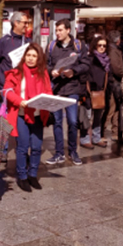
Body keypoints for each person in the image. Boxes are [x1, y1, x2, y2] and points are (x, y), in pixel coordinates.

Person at [3, 43, 52, 192]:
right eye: (28, 55)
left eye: (34, 56)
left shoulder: (43, 73)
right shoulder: (16, 72)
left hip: (37, 115)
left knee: (36, 147)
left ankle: (32, 175)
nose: (30, 58)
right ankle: (22, 176)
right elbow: (7, 91)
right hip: (21, 115)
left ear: (39, 58)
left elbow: (48, 91)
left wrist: (48, 101)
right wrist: (19, 101)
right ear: (24, 56)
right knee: (22, 147)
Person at [46, 19, 89, 166]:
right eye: (56, 30)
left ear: (68, 30)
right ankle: (59, 153)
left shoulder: (78, 45)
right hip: (57, 88)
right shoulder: (52, 46)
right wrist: (51, 71)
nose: (57, 33)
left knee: (72, 121)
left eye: (60, 30)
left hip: (72, 88)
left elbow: (86, 64)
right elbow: (45, 64)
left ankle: (73, 151)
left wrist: (74, 71)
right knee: (57, 121)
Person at [80, 35, 112, 149]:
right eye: (99, 45)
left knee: (98, 117)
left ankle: (96, 138)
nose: (102, 47)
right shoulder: (90, 59)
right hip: (89, 92)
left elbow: (109, 76)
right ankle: (84, 139)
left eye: (104, 46)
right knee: (87, 117)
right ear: (95, 45)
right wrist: (85, 91)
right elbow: (85, 75)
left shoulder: (107, 60)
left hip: (101, 92)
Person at [0, 12, 31, 90]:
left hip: (23, 87)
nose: (27, 25)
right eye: (25, 23)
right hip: (5, 87)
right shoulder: (4, 41)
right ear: (16, 23)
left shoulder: (28, 42)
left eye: (27, 23)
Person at [106, 30, 123, 141]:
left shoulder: (112, 49)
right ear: (118, 40)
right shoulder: (113, 51)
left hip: (114, 82)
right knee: (111, 109)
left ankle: (116, 133)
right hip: (114, 82)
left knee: (116, 109)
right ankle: (102, 133)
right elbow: (116, 68)